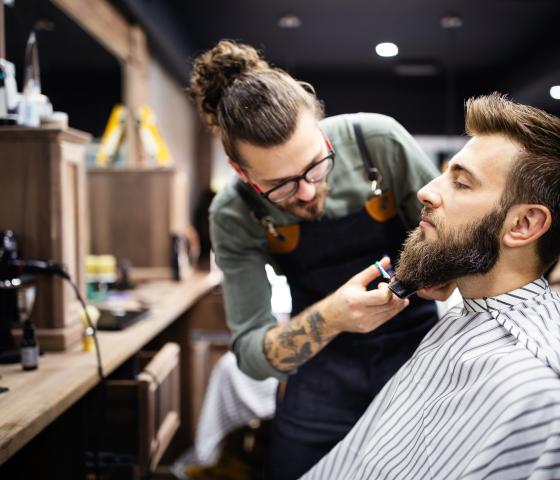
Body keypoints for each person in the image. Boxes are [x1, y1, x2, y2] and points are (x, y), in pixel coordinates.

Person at [188, 40, 446, 478]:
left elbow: (453, 238)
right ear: (240, 171)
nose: (307, 192)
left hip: (417, 349)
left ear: (322, 128)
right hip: (323, 366)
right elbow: (250, 351)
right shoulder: (233, 214)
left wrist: (438, 269)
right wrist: (331, 318)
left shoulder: (377, 143)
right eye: (281, 185)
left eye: (316, 166)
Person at [301, 93, 560, 479]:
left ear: (522, 226)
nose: (426, 190)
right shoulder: (467, 311)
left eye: (461, 183)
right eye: (444, 173)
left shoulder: (537, 392)